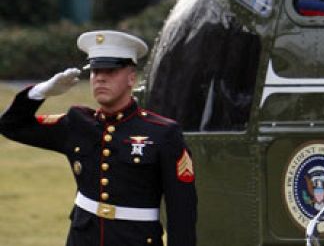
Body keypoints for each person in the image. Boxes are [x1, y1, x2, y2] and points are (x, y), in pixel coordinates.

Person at [0, 30, 197, 246]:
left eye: (111, 70)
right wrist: (41, 92)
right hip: (83, 238)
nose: (100, 77)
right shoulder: (77, 124)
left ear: (131, 78)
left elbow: (182, 211)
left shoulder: (162, 133)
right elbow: (11, 126)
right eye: (95, 71)